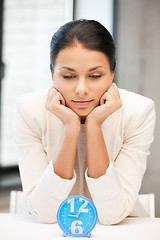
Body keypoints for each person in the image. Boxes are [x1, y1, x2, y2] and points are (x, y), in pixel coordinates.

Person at [14, 19, 156, 225]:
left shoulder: (138, 111)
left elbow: (112, 215)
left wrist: (94, 126)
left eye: (95, 75)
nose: (81, 89)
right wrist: (71, 128)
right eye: (69, 76)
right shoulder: (29, 110)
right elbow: (44, 213)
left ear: (112, 72)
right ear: (52, 72)